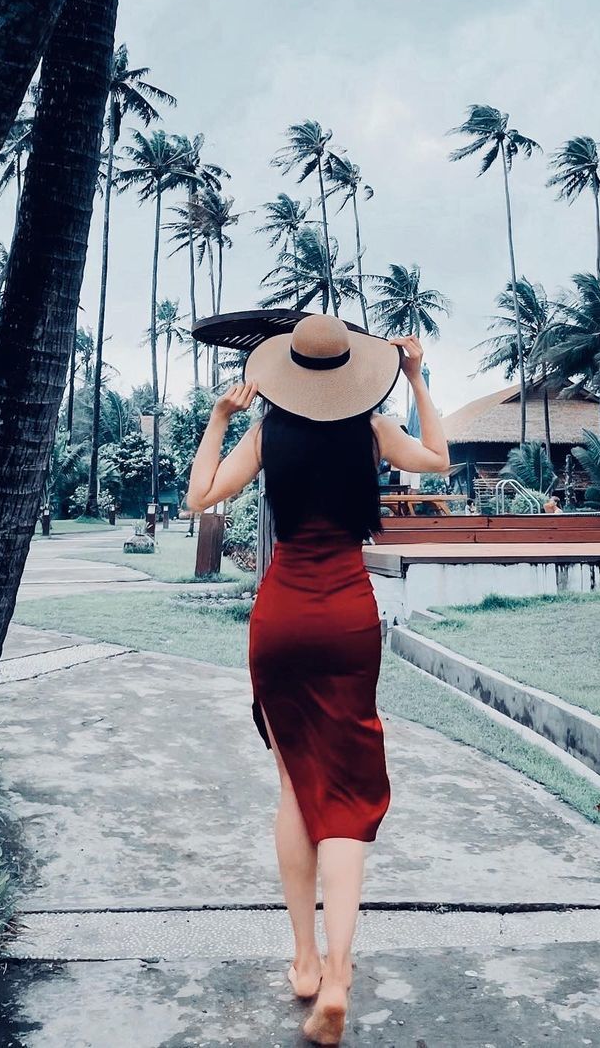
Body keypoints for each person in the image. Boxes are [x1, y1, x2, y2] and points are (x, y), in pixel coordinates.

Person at [186, 314, 449, 1045]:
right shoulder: (372, 432)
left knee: (294, 788)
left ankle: (303, 961)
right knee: (346, 793)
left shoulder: (267, 434)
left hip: (282, 617)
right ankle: (337, 976)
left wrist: (219, 417)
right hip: (348, 619)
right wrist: (417, 377)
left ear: (288, 373)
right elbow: (438, 458)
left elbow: (200, 497)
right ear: (352, 374)